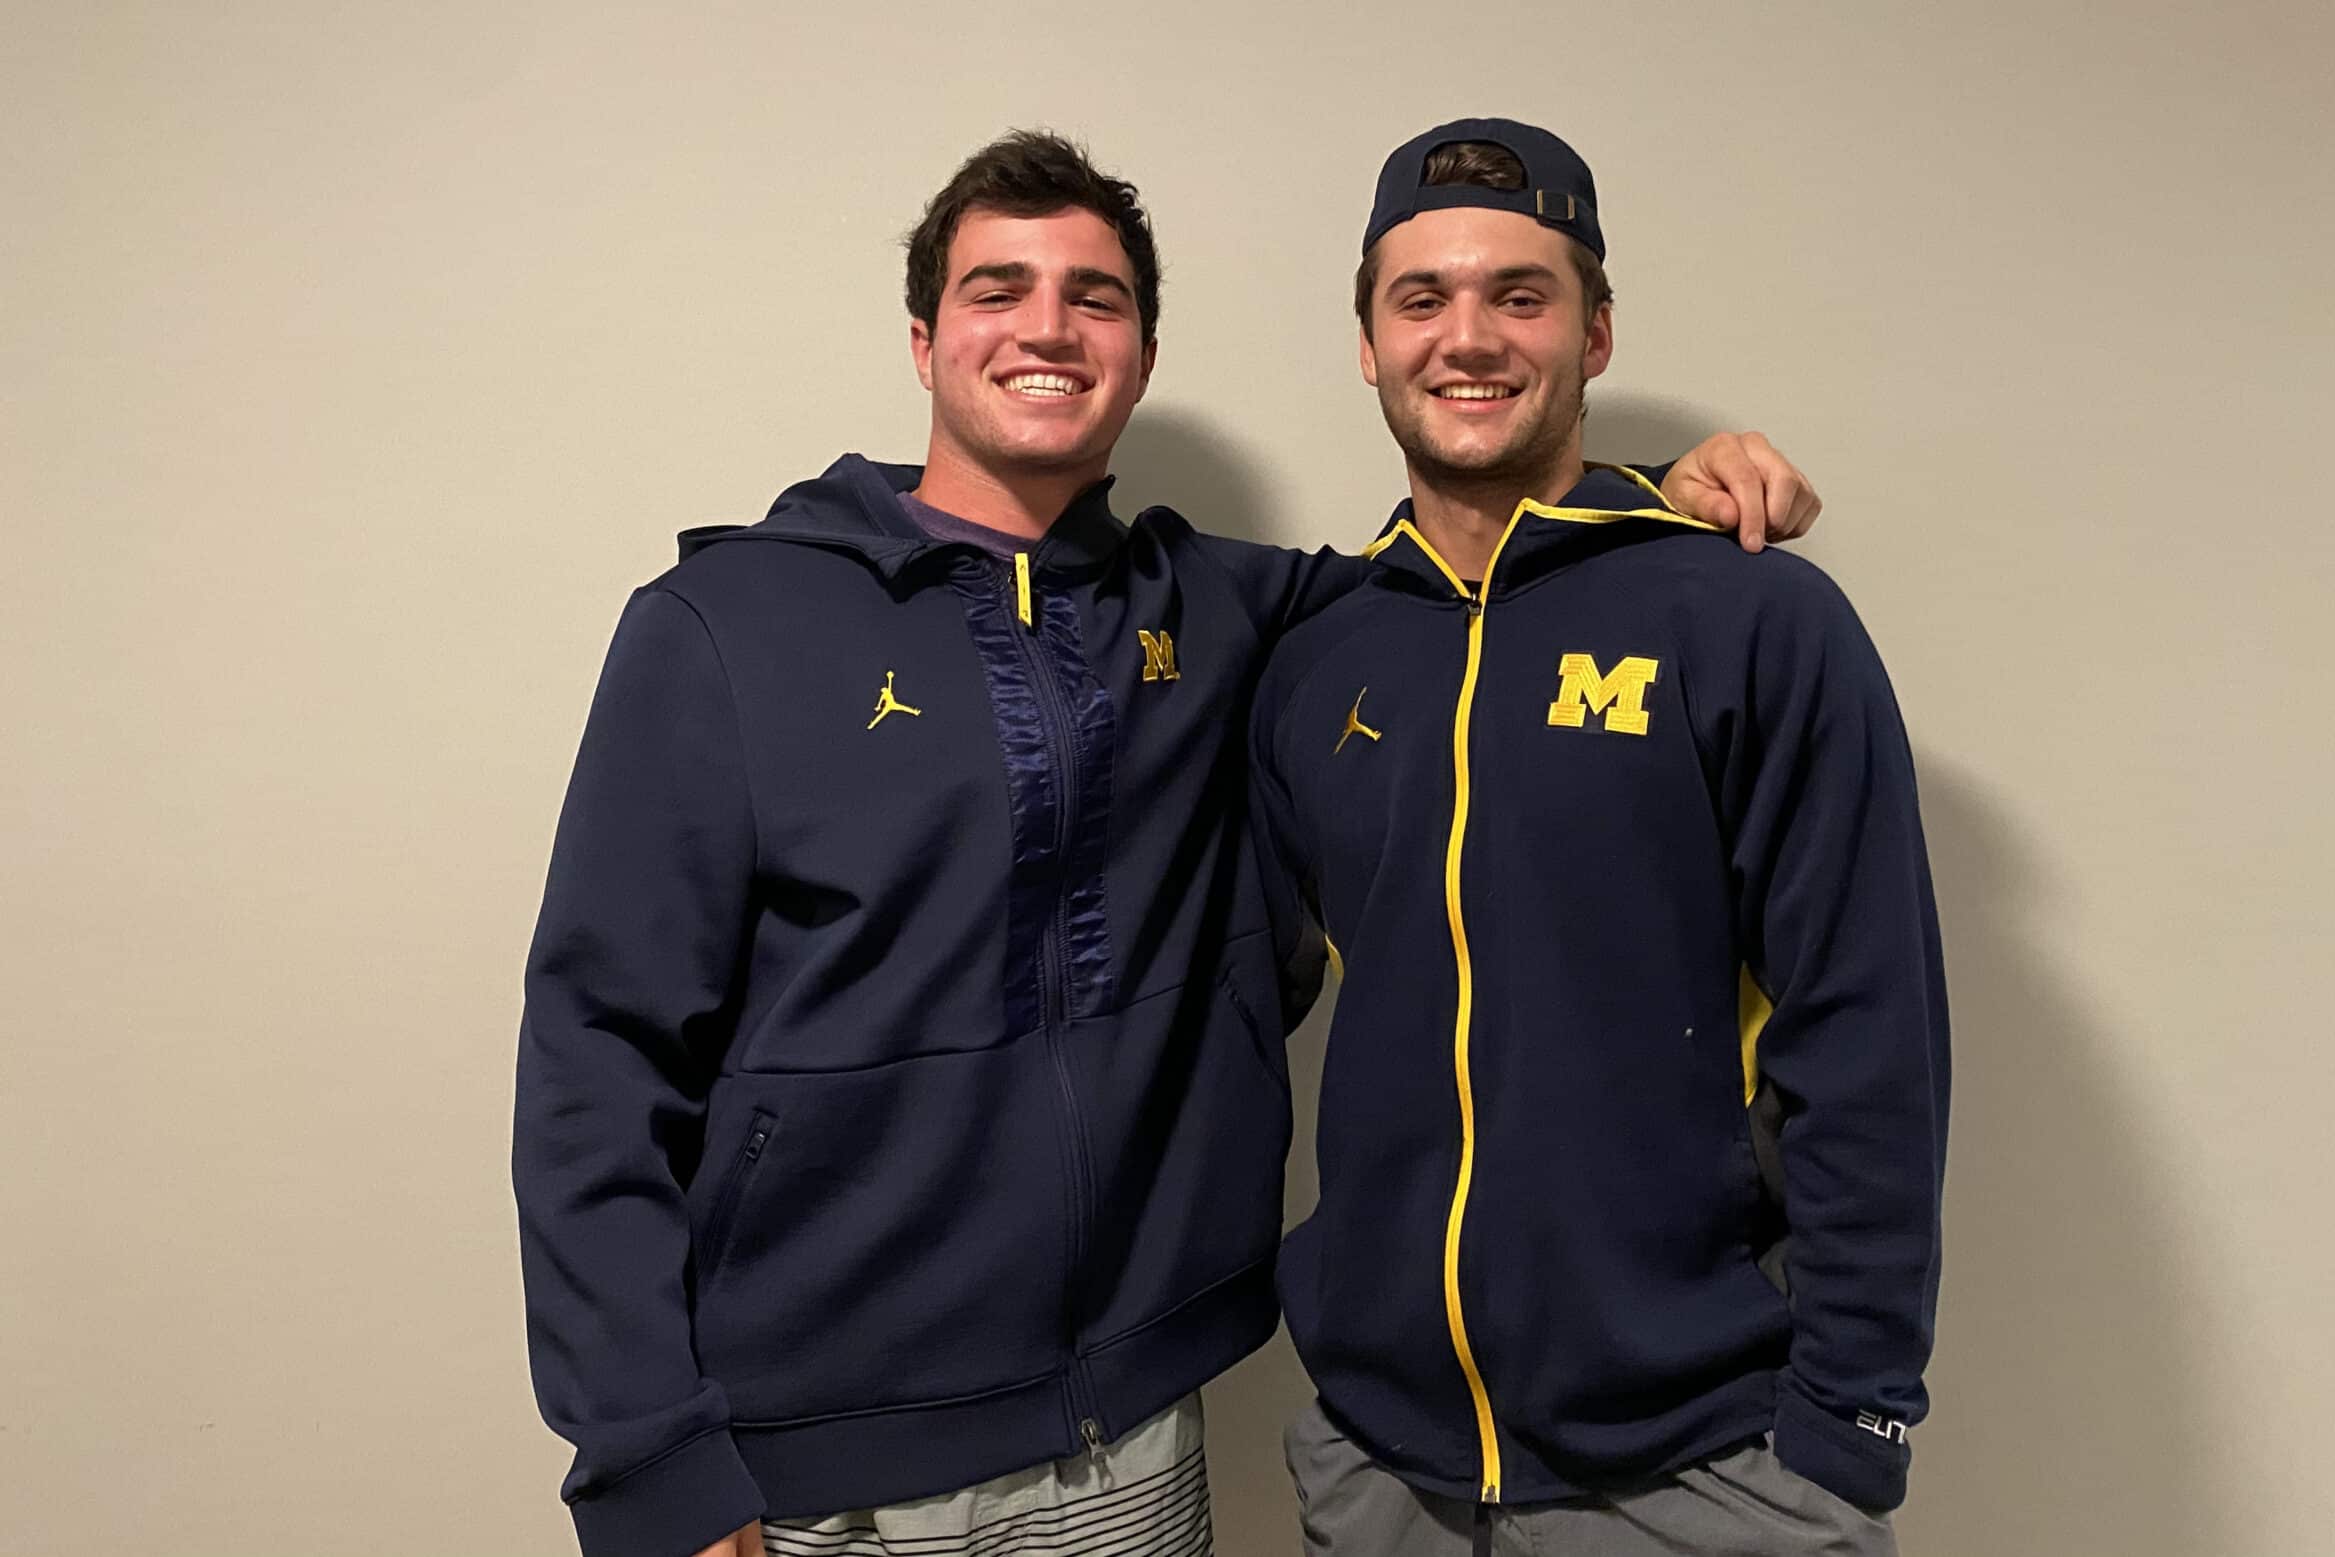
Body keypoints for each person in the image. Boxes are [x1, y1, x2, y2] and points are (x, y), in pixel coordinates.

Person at [510, 128, 1821, 1557]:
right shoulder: (723, 629)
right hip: (810, 1458)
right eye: (998, 289)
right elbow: (598, 1049)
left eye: (1096, 297)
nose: (1048, 327)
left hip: (1128, 1435)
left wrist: (1652, 491)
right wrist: (648, 1454)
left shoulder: (1230, 611)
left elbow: (1468, 584)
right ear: (924, 341)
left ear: (1138, 357)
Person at [1248, 119, 1951, 1557]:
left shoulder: (1749, 619)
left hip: (1705, 1467)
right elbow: (1229, 1013)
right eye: (1423, 298)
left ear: (1598, 332)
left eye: (1522, 294)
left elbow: (1868, 1030)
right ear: (1369, 346)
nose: (1469, 337)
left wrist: (1850, 1428)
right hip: (1387, 1472)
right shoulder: (1317, 654)